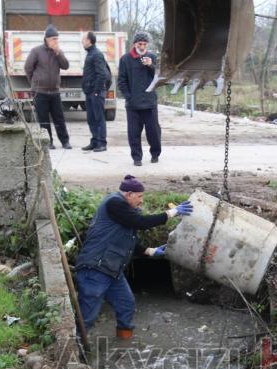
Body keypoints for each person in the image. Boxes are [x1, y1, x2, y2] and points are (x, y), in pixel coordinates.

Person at [75, 175, 193, 339]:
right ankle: (74, 349)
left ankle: (124, 342)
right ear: (129, 194)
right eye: (139, 196)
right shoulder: (114, 203)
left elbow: (128, 241)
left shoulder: (124, 211)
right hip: (95, 269)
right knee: (87, 316)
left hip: (112, 270)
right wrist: (172, 212)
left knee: (126, 304)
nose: (142, 201)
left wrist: (150, 251)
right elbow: (141, 222)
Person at [24, 24, 71, 150]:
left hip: (55, 91)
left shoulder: (58, 52)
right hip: (40, 92)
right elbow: (28, 68)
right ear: (47, 39)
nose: (56, 41)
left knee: (59, 118)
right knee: (43, 119)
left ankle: (65, 141)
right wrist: (34, 83)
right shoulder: (36, 51)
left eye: (57, 39)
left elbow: (66, 66)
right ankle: (48, 142)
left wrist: (58, 53)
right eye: (54, 39)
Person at [117, 31, 161, 166]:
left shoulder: (153, 57)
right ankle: (137, 158)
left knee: (153, 132)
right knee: (133, 133)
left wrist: (151, 66)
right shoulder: (125, 59)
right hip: (133, 105)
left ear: (147, 44)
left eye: (144, 44)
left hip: (150, 103)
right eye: (139, 43)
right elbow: (122, 81)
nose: (142, 46)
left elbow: (159, 78)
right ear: (135, 44)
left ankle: (155, 154)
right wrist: (129, 97)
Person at [80, 31, 110, 153]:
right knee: (91, 119)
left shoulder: (96, 54)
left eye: (83, 39)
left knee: (99, 118)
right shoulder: (90, 54)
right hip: (90, 92)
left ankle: (102, 143)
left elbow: (102, 74)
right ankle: (95, 141)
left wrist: (97, 91)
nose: (82, 41)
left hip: (96, 93)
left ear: (89, 41)